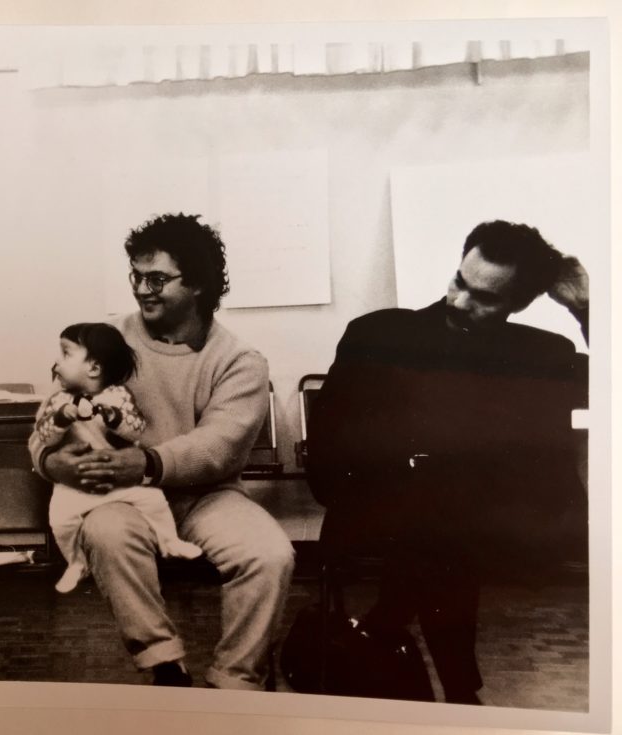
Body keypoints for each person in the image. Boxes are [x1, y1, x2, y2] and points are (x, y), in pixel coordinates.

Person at [307, 220, 589, 704]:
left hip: (487, 524)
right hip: (375, 509)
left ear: (517, 305)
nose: (460, 301)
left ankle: (384, 625)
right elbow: (332, 442)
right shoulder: (378, 334)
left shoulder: (541, 354)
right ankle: (458, 689)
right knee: (442, 523)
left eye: (485, 298)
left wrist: (589, 308)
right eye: (460, 281)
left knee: (448, 519)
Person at [29, 213, 295, 690]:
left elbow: (220, 445)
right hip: (119, 498)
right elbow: (46, 422)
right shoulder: (103, 342)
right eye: (136, 275)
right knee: (106, 532)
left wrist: (149, 462)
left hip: (207, 497)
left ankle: (235, 682)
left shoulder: (239, 360)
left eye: (157, 279)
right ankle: (164, 666)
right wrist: (51, 461)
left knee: (270, 555)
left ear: (197, 284)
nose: (142, 289)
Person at [35, 322, 203, 594]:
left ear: (94, 368)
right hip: (76, 484)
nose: (56, 361)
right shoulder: (58, 400)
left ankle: (169, 541)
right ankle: (76, 562)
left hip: (121, 482)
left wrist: (112, 417)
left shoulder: (117, 395)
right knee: (60, 519)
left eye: (66, 354)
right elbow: (44, 437)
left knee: (154, 501)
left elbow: (136, 428)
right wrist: (62, 418)